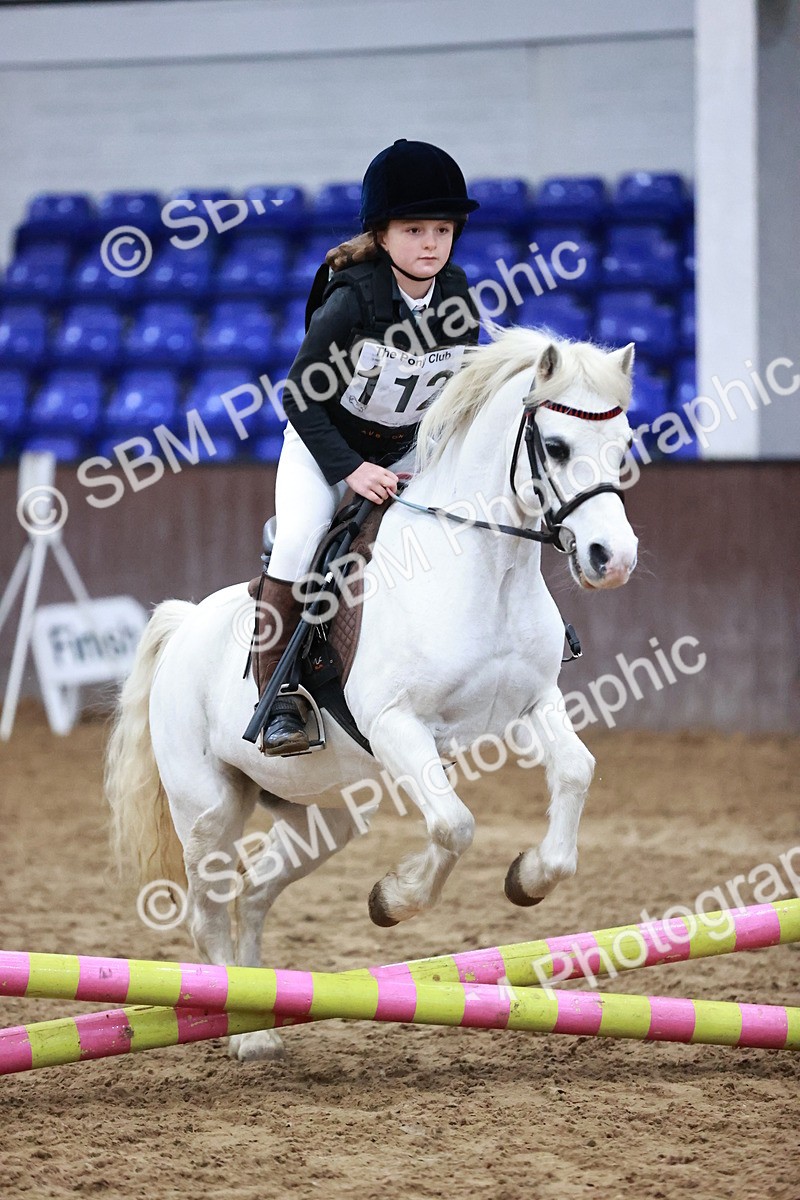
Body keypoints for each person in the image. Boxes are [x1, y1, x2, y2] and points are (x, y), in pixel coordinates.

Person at [250, 138, 481, 754]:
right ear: (382, 235)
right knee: (299, 542)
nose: (431, 243)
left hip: (404, 450)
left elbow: (460, 393)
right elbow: (298, 396)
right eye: (414, 230)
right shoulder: (351, 299)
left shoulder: (457, 298)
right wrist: (351, 470)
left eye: (442, 230)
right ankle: (278, 698)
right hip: (323, 448)